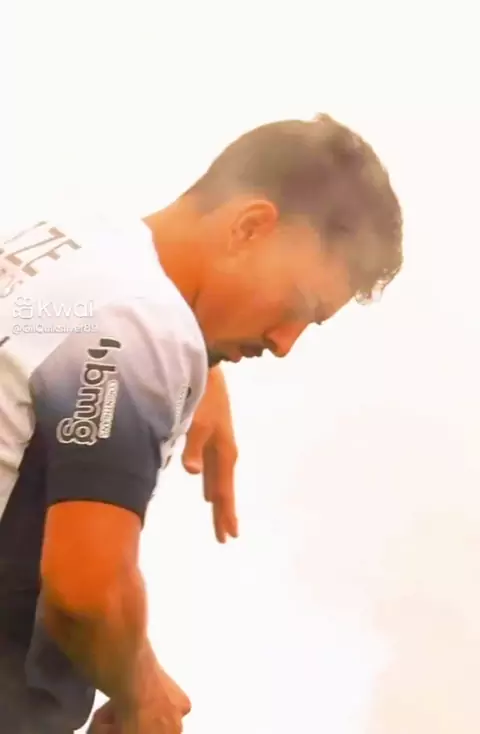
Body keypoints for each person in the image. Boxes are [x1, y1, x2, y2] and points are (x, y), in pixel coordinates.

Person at [0, 114, 403, 733]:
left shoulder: (74, 243)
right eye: (297, 305)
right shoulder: (144, 325)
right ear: (250, 227)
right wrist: (141, 693)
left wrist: (203, 362)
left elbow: (86, 331)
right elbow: (86, 592)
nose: (285, 342)